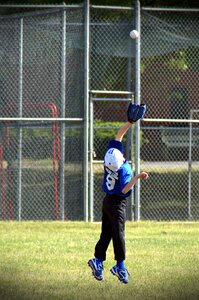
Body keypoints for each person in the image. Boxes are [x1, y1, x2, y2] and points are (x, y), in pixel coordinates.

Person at [88, 103, 149, 284]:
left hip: (107, 202)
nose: (123, 155)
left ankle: (98, 261)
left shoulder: (110, 158)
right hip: (116, 204)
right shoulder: (122, 171)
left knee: (106, 232)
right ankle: (119, 266)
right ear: (120, 162)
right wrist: (137, 177)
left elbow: (119, 134)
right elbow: (124, 190)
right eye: (121, 157)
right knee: (118, 234)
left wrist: (130, 122)